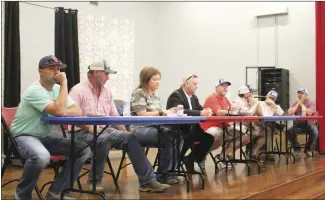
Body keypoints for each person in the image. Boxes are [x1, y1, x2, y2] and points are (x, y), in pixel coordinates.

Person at [69, 60, 169, 193]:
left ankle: (147, 181)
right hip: (80, 132)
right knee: (103, 138)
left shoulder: (107, 92)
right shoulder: (77, 90)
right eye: (106, 74)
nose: (108, 77)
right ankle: (94, 181)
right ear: (95, 73)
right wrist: (88, 127)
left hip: (104, 129)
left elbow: (115, 116)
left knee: (130, 137)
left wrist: (127, 132)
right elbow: (68, 118)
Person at [10, 55, 91, 200]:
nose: (56, 71)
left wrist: (60, 108)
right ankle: (22, 194)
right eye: (51, 68)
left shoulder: (57, 90)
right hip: (23, 136)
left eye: (58, 68)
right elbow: (59, 111)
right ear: (41, 71)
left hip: (43, 137)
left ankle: (57, 192)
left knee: (83, 149)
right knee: (41, 156)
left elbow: (77, 110)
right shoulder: (34, 90)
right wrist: (64, 84)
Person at [130, 66, 180, 184]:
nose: (158, 82)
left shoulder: (155, 94)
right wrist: (162, 112)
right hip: (139, 129)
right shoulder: (139, 93)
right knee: (170, 137)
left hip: (155, 128)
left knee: (179, 135)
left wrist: (170, 111)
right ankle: (163, 174)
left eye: (159, 79)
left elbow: (158, 112)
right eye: (154, 79)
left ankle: (170, 172)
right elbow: (141, 114)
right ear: (146, 80)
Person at [166, 74, 213, 172]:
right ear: (186, 84)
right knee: (187, 138)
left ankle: (190, 160)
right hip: (178, 128)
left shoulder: (193, 97)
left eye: (197, 84)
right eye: (194, 84)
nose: (197, 86)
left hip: (191, 128)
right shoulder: (176, 95)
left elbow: (200, 109)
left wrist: (207, 110)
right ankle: (175, 165)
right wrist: (200, 113)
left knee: (208, 139)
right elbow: (179, 111)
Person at [199, 79, 251, 169]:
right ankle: (200, 156)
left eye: (226, 86)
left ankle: (221, 157)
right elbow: (219, 112)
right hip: (209, 129)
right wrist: (233, 112)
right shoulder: (212, 97)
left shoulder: (226, 99)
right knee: (220, 134)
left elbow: (233, 112)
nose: (225, 88)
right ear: (217, 87)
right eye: (222, 86)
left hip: (225, 128)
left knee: (245, 137)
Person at [252, 89, 284, 160]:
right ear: (266, 96)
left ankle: (269, 153)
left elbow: (281, 113)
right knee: (269, 131)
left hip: (266, 127)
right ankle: (253, 152)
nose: (271, 99)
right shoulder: (259, 103)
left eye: (273, 98)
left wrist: (273, 104)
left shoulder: (275, 106)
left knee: (270, 133)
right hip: (255, 125)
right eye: (270, 97)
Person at [287, 88, 318, 157]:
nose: (300, 95)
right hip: (298, 125)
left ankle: (308, 149)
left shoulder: (311, 102)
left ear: (306, 95)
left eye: (302, 93)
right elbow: (289, 113)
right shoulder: (295, 102)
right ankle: (297, 148)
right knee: (289, 131)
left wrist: (301, 103)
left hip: (309, 125)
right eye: (299, 93)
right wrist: (298, 103)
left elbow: (309, 113)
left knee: (315, 131)